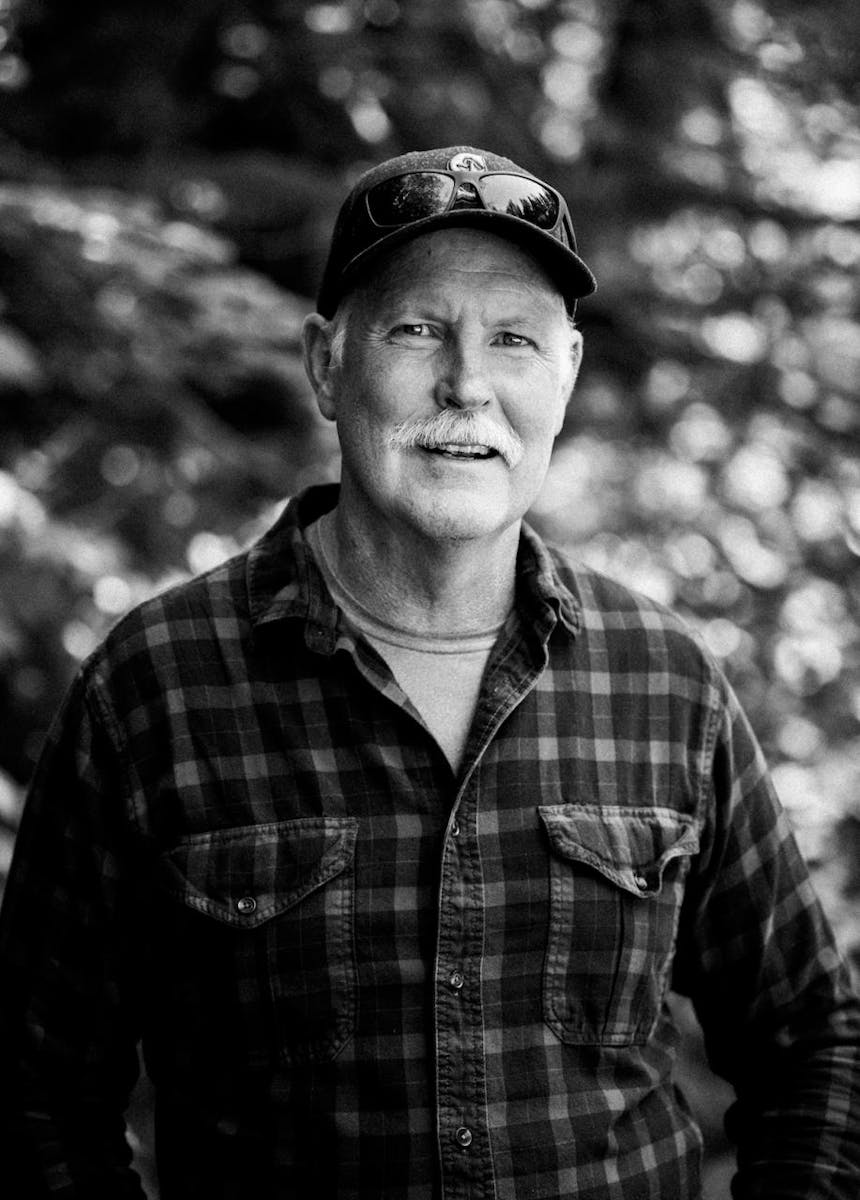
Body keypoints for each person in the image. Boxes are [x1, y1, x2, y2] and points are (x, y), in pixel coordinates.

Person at [0, 145, 858, 1200]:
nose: (466, 383)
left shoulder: (666, 683)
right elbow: (34, 1092)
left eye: (511, 339)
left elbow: (815, 1039)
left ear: (566, 374)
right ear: (327, 363)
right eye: (415, 330)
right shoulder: (155, 686)